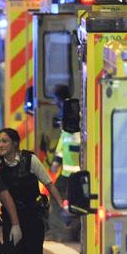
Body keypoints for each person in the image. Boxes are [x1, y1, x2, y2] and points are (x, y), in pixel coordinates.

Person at [0, 128, 66, 254]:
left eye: (4, 141)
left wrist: (62, 206)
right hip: (11, 218)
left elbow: (49, 184)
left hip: (32, 217)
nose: (0, 145)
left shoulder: (30, 160)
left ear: (15, 144)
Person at [51, 85, 80, 228]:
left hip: (73, 170)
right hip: (70, 169)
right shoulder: (70, 110)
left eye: (56, 99)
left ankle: (61, 230)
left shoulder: (69, 112)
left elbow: (66, 138)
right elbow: (65, 139)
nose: (55, 102)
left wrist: (57, 160)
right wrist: (57, 159)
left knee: (57, 196)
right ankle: (68, 226)